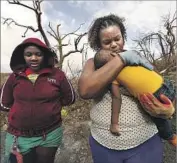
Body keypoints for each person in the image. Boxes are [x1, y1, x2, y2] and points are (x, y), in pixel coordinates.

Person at [78, 14, 175, 163]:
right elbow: (85, 90)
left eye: (117, 39)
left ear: (123, 37)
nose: (114, 45)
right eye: (107, 42)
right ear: (98, 45)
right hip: (105, 146)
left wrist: (169, 109)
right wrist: (121, 60)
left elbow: (156, 84)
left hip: (146, 143)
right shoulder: (93, 63)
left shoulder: (136, 57)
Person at [0, 37, 76, 163]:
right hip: (19, 135)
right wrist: (20, 111)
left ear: (44, 55)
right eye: (28, 54)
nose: (33, 58)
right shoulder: (15, 76)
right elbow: (3, 103)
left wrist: (51, 108)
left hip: (49, 134)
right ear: (22, 56)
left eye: (38, 54)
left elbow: (70, 98)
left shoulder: (57, 75)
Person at [94, 49, 176, 146]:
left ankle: (171, 137)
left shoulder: (127, 61)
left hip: (159, 90)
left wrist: (114, 124)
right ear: (114, 54)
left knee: (161, 120)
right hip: (161, 88)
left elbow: (116, 98)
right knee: (161, 118)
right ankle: (171, 137)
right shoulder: (128, 61)